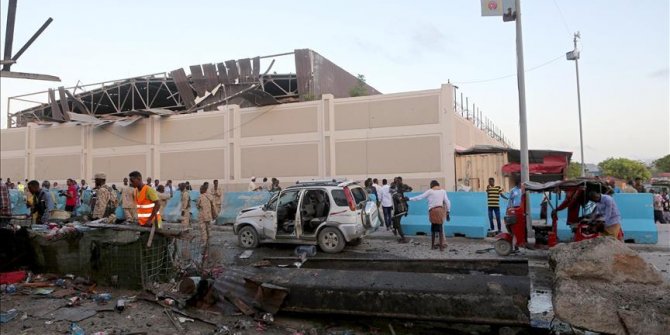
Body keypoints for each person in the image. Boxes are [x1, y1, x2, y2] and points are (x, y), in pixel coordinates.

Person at [409, 180, 451, 251]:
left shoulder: (430, 191)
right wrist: (448, 212)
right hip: (440, 211)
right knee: (440, 230)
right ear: (438, 185)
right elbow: (448, 202)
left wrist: (410, 198)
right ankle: (441, 247)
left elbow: (420, 197)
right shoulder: (443, 191)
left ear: (432, 185)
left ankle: (432, 246)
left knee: (433, 230)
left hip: (433, 211)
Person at [197, 184, 216, 258]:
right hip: (209, 215)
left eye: (200, 189)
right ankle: (209, 242)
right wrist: (214, 214)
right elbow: (213, 206)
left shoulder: (200, 197)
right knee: (209, 229)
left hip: (202, 216)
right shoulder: (210, 196)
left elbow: (197, 205)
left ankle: (204, 243)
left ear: (202, 190)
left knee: (203, 230)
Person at [390, 176, 412, 243]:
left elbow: (396, 206)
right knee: (395, 221)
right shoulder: (399, 193)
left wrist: (395, 214)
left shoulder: (394, 195)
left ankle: (403, 238)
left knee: (397, 223)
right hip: (403, 208)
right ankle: (396, 231)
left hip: (399, 211)